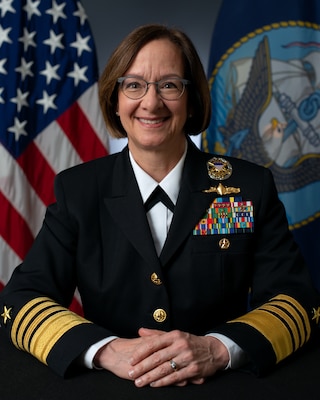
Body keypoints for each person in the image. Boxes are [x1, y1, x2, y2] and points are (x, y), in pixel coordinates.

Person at [0, 24, 319, 388]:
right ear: (114, 100)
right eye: (134, 85)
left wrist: (217, 348)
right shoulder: (79, 190)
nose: (151, 103)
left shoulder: (248, 187)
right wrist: (107, 350)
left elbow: (297, 300)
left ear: (193, 99)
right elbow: (22, 299)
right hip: (112, 388)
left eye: (169, 85)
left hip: (219, 386)